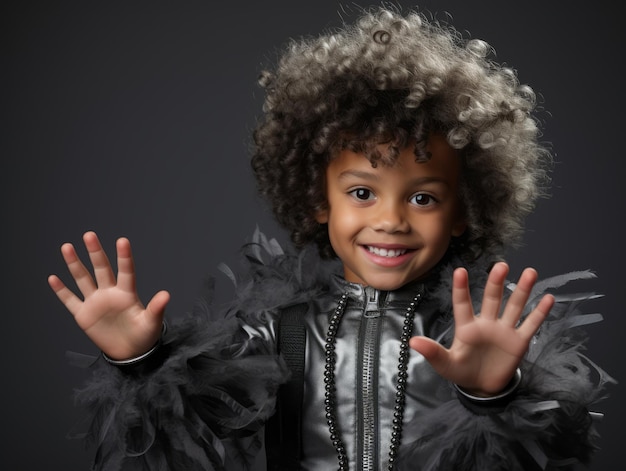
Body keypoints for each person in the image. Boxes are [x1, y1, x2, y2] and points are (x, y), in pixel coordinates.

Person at [48, 5, 612, 470]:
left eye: (423, 198)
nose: (391, 220)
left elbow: (561, 448)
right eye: (363, 193)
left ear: (463, 211)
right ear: (319, 201)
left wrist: (495, 394)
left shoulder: (473, 340)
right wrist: (141, 359)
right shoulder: (276, 335)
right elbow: (191, 431)